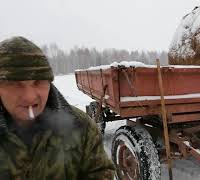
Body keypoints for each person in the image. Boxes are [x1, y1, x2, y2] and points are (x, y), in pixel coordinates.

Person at [0, 36, 115, 179]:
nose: (29, 96)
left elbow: (101, 172)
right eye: (15, 84)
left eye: (38, 82)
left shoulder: (80, 126)